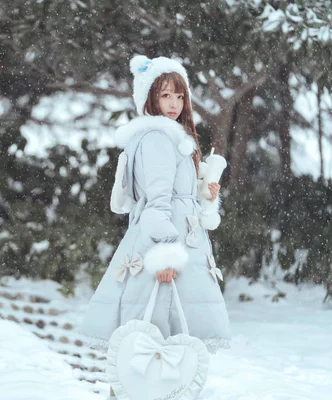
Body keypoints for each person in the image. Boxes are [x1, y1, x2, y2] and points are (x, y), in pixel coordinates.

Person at [78, 55, 231, 399]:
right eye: (165, 95)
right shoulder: (158, 138)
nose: (174, 104)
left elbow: (175, 195)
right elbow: (157, 203)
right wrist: (164, 258)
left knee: (161, 336)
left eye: (179, 96)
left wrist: (203, 192)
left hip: (176, 241)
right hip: (163, 246)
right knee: (153, 335)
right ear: (150, 98)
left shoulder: (174, 137)